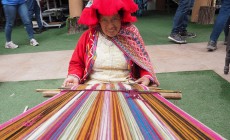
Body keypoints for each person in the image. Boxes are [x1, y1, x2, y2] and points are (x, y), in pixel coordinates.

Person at [62, 0, 160, 87]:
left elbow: (143, 63)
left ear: (121, 18)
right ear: (98, 20)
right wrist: (74, 76)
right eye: (104, 20)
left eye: (114, 19)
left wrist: (146, 76)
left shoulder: (131, 35)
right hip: (93, 86)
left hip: (126, 87)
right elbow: (77, 63)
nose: (110, 26)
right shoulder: (88, 37)